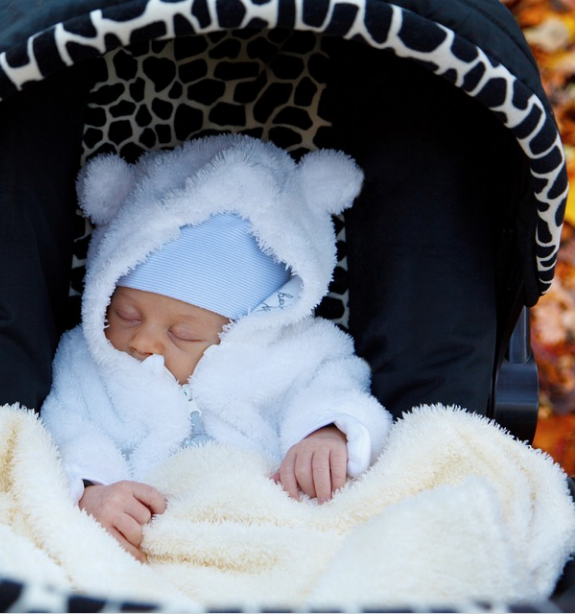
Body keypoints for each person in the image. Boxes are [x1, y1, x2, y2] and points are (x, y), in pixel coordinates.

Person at [40, 134, 393, 561]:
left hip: (278, 533)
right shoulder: (88, 363)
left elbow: (338, 388)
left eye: (182, 334)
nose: (143, 340)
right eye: (126, 315)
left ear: (250, 327)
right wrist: (92, 493)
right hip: (151, 547)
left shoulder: (294, 354)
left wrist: (329, 432)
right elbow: (66, 432)